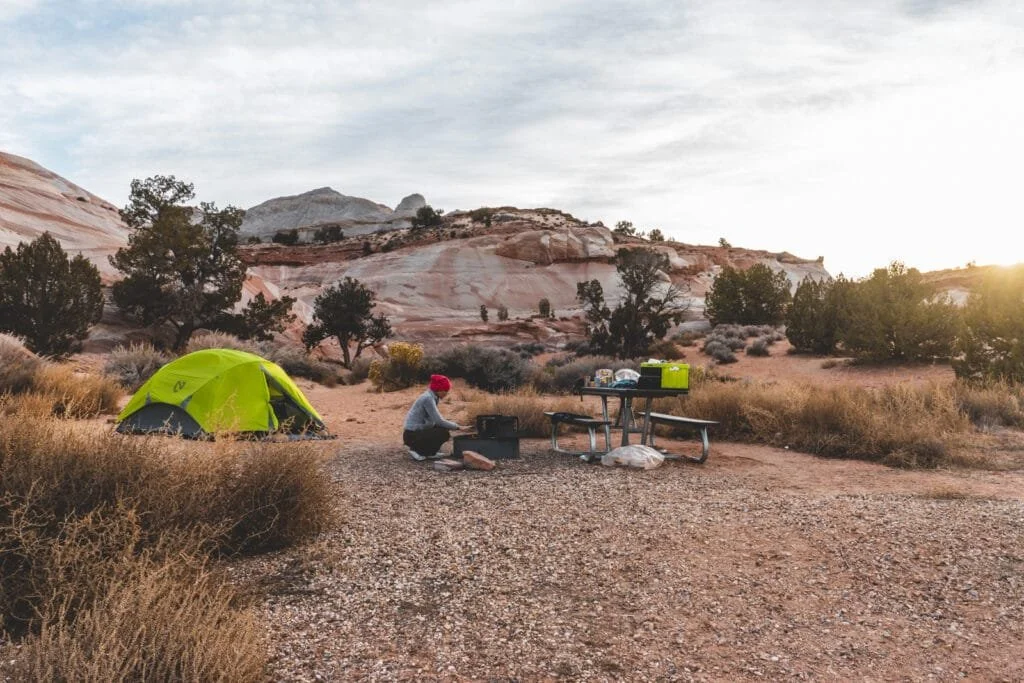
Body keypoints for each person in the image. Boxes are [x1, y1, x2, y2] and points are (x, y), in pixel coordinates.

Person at [403, 374, 465, 461]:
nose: (446, 393)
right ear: (439, 389)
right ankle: (416, 450)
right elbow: (439, 421)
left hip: (416, 432)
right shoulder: (428, 398)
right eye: (445, 390)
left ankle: (430, 453)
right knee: (443, 433)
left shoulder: (432, 396)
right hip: (412, 435)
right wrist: (457, 427)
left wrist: (451, 425)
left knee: (443, 429)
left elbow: (436, 420)